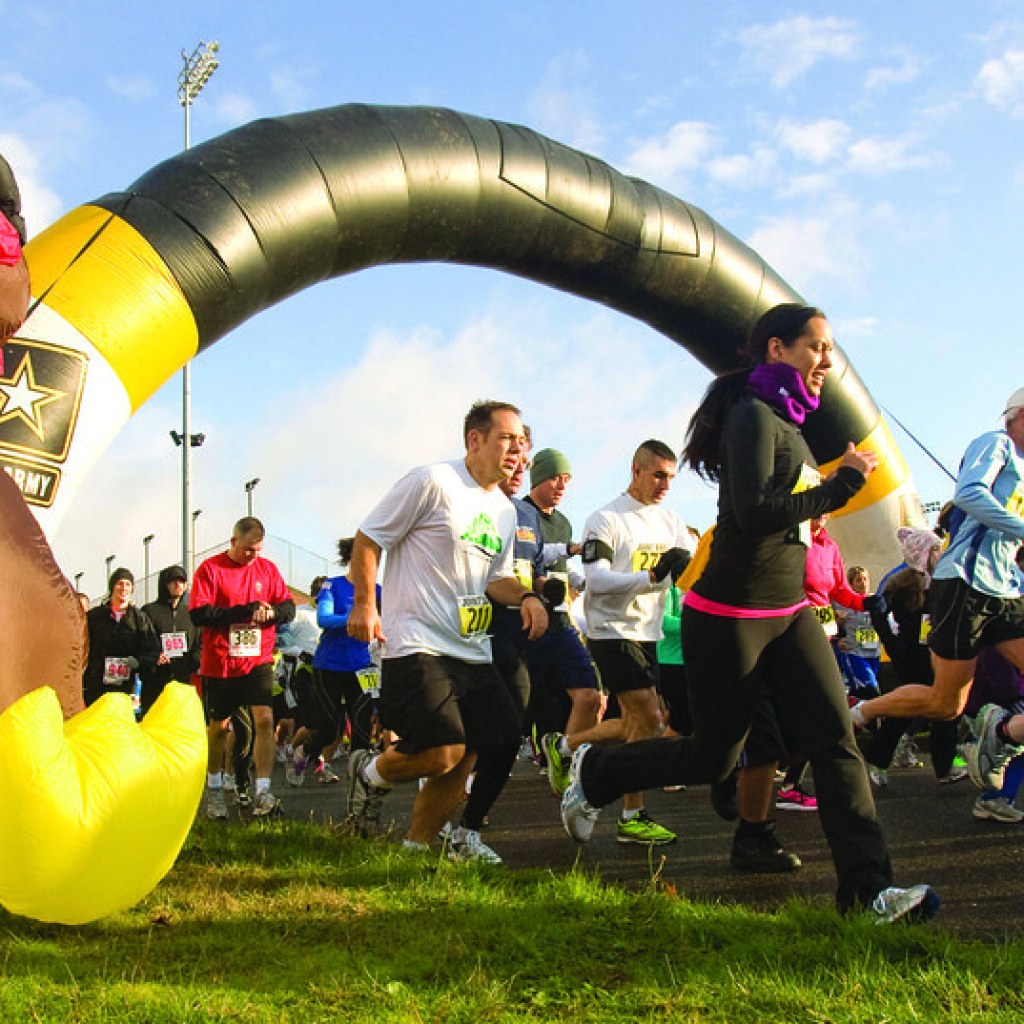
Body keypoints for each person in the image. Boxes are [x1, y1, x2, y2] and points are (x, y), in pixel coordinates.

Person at [560, 303, 939, 924]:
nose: (826, 359)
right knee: (714, 757)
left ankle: (868, 893)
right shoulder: (752, 417)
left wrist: (834, 482)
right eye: (815, 346)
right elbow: (757, 510)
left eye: (830, 348)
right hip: (728, 616)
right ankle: (597, 768)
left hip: (790, 615)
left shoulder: (792, 426)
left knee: (835, 738)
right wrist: (841, 485)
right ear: (775, 349)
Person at [345, 401, 548, 857]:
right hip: (418, 642)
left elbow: (496, 580)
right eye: (507, 440)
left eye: (521, 444)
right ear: (474, 440)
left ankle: (413, 851)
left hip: (472, 650)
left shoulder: (505, 509)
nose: (517, 452)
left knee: (483, 744)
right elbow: (369, 537)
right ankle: (369, 773)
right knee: (443, 752)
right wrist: (364, 603)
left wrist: (528, 597)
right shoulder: (432, 481)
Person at [851, 387, 1024, 794]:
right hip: (965, 583)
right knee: (946, 704)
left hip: (1004, 588)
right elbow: (968, 493)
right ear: (1017, 414)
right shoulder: (995, 443)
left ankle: (1001, 734)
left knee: (949, 704)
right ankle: (857, 712)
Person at [550, 440, 694, 846]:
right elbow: (595, 580)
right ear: (636, 471)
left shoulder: (672, 521)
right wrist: (650, 578)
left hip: (649, 633)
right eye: (659, 475)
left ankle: (568, 746)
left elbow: (694, 569)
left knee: (635, 725)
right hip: (611, 630)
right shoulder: (606, 519)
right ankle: (613, 801)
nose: (666, 484)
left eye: (671, 477)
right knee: (650, 719)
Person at [190, 517, 296, 819]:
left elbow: (287, 607)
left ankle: (263, 790)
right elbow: (200, 614)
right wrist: (243, 611)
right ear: (234, 542)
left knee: (265, 720)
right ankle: (214, 789)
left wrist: (272, 612)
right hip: (221, 661)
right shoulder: (210, 569)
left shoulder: (268, 570)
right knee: (219, 728)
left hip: (258, 657)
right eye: (248, 549)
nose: (253, 556)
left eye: (258, 550)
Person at [522, 449, 602, 786]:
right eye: (555, 477)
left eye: (566, 480)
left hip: (561, 621)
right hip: (525, 622)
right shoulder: (519, 513)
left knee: (589, 694)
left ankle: (564, 756)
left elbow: (562, 569)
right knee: (524, 705)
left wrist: (584, 581)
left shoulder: (564, 522)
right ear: (538, 476)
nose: (561, 486)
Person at [861, 528, 964, 787]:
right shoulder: (901, 581)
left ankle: (944, 766)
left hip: (937, 653)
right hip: (910, 657)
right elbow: (877, 613)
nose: (940, 554)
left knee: (946, 708)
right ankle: (877, 761)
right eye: (935, 549)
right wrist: (894, 646)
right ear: (923, 553)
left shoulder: (942, 580)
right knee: (904, 711)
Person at [306, 547, 382, 781]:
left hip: (362, 666)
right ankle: (302, 756)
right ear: (352, 560)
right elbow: (324, 618)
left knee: (361, 728)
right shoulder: (333, 585)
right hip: (329, 664)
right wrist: (355, 616)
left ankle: (359, 787)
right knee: (329, 729)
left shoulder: (377, 591)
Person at [82, 568, 161, 708]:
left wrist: (138, 662)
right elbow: (82, 646)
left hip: (126, 685)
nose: (123, 588)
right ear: (112, 587)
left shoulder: (140, 619)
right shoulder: (94, 617)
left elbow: (153, 650)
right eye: (120, 583)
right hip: (97, 685)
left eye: (128, 584)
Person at [141, 564, 201, 717]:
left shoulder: (190, 614)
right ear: (164, 584)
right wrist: (154, 656)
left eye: (182, 581)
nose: (178, 585)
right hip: (156, 683)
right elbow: (142, 642)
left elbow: (200, 644)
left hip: (183, 683)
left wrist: (193, 662)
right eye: (173, 581)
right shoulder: (149, 611)